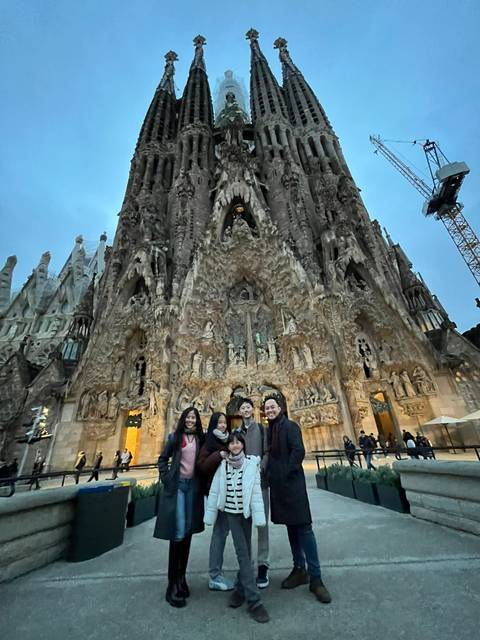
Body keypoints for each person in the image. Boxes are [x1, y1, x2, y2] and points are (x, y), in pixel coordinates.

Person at [264, 395, 331, 604]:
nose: (269, 411)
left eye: (272, 407)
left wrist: (286, 472)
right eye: (266, 408)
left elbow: (298, 451)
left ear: (281, 408)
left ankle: (317, 578)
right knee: (291, 528)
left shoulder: (290, 426)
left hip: (292, 485)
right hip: (280, 486)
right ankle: (299, 569)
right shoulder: (270, 430)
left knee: (304, 528)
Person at [204, 431, 270, 624]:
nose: (235, 446)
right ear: (228, 446)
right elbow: (216, 490)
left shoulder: (252, 464)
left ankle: (240, 589)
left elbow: (256, 491)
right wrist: (210, 515)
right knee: (243, 552)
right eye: (231, 443)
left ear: (242, 444)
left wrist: (259, 517)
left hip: (247, 514)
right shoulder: (223, 466)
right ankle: (254, 600)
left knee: (246, 551)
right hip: (231, 513)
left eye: (238, 443)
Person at [153, 406, 205, 608]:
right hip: (179, 488)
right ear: (184, 419)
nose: (191, 420)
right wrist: (166, 478)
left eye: (194, 418)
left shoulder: (200, 438)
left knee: (188, 533)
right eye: (189, 417)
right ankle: (171, 584)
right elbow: (162, 459)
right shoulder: (175, 437)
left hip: (192, 488)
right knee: (178, 533)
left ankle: (181, 578)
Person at [196, 412, 234, 591]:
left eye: (225, 422)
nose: (223, 425)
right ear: (213, 424)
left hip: (233, 492)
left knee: (230, 532)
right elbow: (202, 466)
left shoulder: (231, 439)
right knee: (220, 533)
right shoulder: (209, 441)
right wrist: (219, 455)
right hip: (218, 493)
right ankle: (214, 574)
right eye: (219, 422)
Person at [238, 397, 270, 588]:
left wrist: (262, 467)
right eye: (243, 407)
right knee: (245, 524)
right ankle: (247, 565)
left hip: (261, 483)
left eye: (248, 407)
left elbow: (267, 452)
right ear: (240, 411)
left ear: (253, 409)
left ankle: (263, 564)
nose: (246, 410)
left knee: (262, 524)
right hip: (244, 484)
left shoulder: (261, 429)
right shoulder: (236, 432)